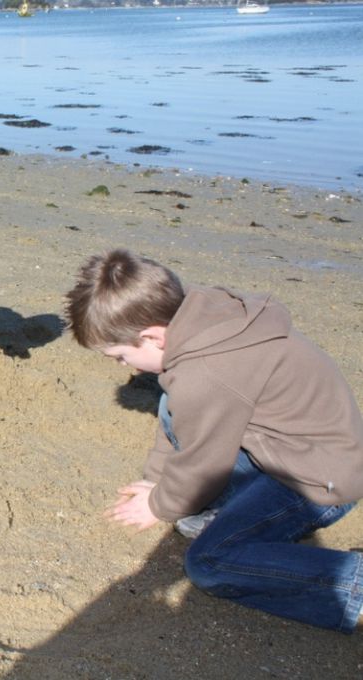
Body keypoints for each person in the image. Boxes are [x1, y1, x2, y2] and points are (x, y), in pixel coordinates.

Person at [64, 248, 363, 633]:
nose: (125, 367)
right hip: (291, 445)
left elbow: (204, 464)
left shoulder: (206, 375)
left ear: (153, 336)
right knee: (174, 406)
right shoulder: (205, 317)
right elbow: (175, 413)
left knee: (210, 563)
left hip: (318, 478)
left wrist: (158, 505)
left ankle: (352, 582)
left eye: (121, 357)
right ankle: (212, 511)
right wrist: (158, 482)